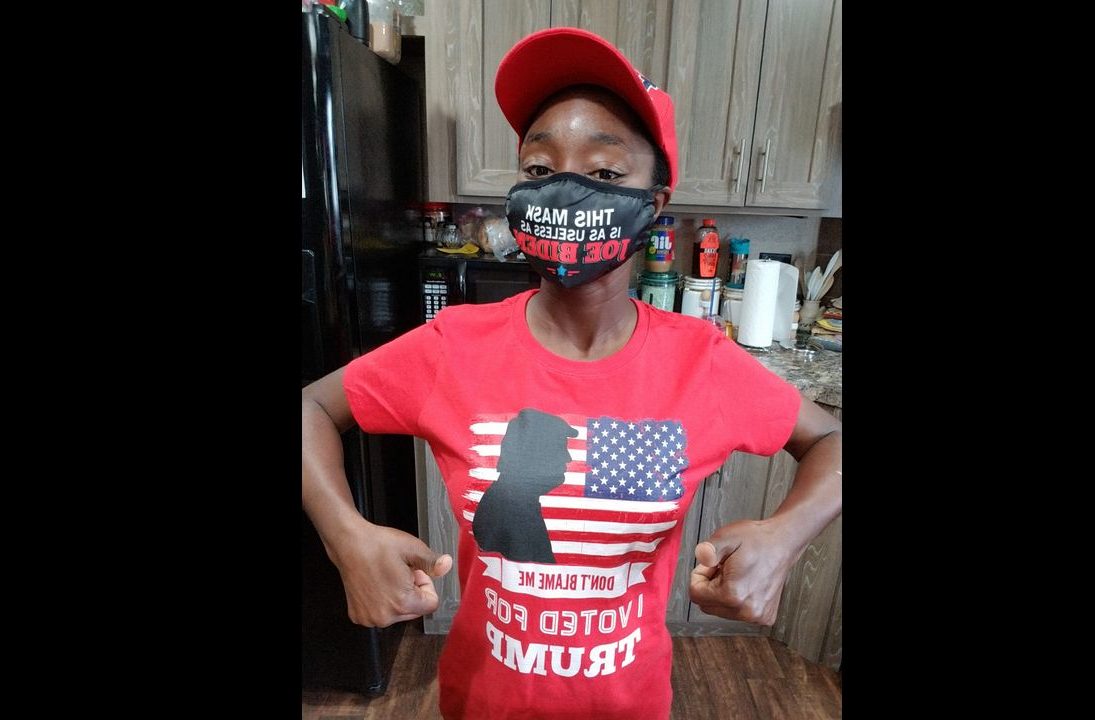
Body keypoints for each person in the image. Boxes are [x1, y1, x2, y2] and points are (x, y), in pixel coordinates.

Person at [302, 27, 842, 720]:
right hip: (482, 703)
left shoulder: (700, 361)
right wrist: (346, 536)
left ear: (655, 203)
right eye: (538, 168)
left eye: (606, 174)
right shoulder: (453, 346)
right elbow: (311, 408)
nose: (564, 191)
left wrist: (786, 536)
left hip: (629, 703)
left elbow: (831, 440)